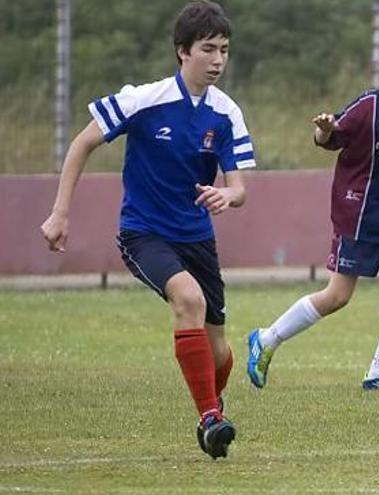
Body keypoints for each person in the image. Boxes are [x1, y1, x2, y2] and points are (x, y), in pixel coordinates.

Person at [40, 0, 253, 459]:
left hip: (197, 236)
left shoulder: (226, 113)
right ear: (182, 52)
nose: (218, 60)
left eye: (224, 50)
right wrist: (60, 213)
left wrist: (227, 195)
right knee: (188, 300)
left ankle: (212, 407)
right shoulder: (143, 99)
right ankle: (210, 419)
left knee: (220, 352)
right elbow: (82, 143)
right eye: (208, 49)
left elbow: (239, 188)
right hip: (144, 232)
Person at [246, 30, 379, 391]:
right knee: (337, 296)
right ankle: (267, 338)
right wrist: (323, 131)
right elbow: (330, 137)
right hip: (360, 216)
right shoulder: (369, 104)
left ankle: (377, 373)